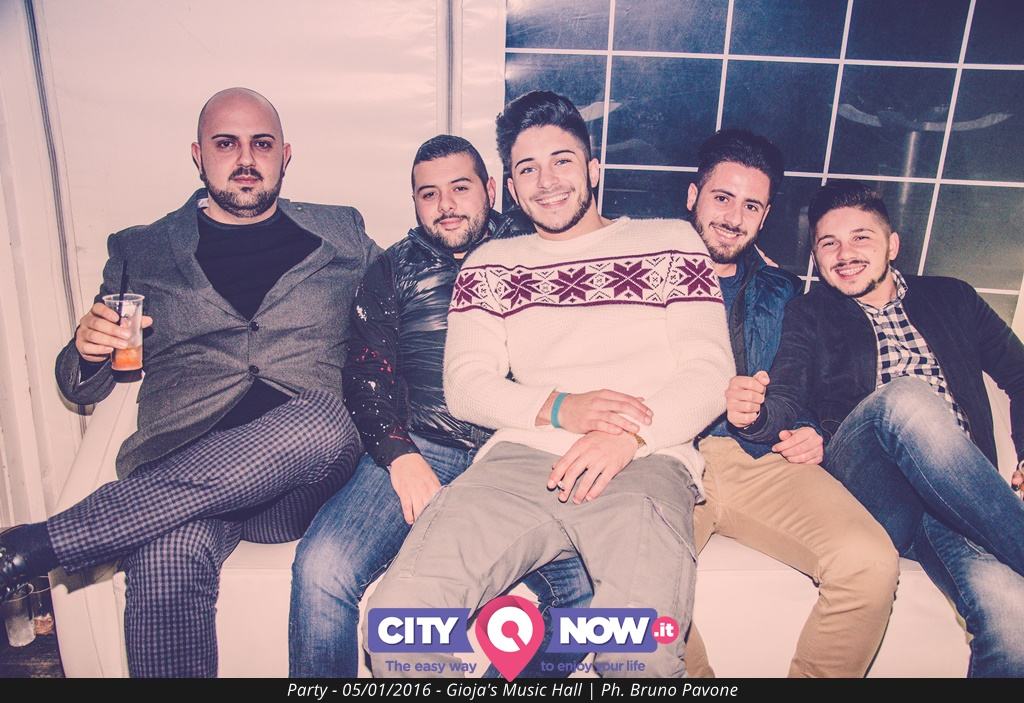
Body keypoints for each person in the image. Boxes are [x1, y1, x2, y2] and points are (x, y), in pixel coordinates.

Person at [0, 87, 377, 677]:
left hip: (299, 482)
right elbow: (81, 387)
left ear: (285, 155)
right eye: (226, 144)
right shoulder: (142, 249)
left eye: (262, 144)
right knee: (164, 558)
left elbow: (408, 301)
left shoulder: (342, 233)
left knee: (324, 418)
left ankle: (37, 547)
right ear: (198, 155)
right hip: (179, 460)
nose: (245, 158)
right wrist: (87, 349)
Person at [365, 91, 733, 678]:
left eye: (562, 161)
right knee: (399, 627)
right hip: (519, 462)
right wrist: (562, 408)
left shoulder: (672, 242)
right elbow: (467, 386)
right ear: (511, 188)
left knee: (636, 651)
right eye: (528, 169)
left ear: (593, 169)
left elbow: (711, 374)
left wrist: (628, 438)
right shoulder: (491, 264)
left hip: (645, 463)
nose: (547, 182)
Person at [288, 134, 592, 677]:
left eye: (460, 188)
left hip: (521, 453)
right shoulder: (391, 270)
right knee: (321, 569)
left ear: (491, 190)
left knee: (591, 593)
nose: (446, 205)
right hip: (423, 446)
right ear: (414, 201)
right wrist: (399, 455)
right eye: (429, 194)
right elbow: (365, 375)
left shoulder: (537, 250)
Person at [733, 180, 1024, 677]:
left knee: (1014, 623)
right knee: (906, 399)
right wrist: (756, 415)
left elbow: (1019, 373)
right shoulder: (810, 311)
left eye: (861, 238)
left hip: (957, 495)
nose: (844, 254)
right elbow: (785, 395)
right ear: (816, 256)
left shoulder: (952, 297)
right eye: (829, 243)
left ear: (892, 245)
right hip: (872, 487)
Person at [682, 131, 898, 677]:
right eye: (722, 198)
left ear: (766, 216)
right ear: (693, 196)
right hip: (669, 459)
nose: (734, 218)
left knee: (869, 563)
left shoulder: (784, 291)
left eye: (751, 206)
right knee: (631, 585)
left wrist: (812, 429)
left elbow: (806, 383)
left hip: (763, 460)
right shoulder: (640, 270)